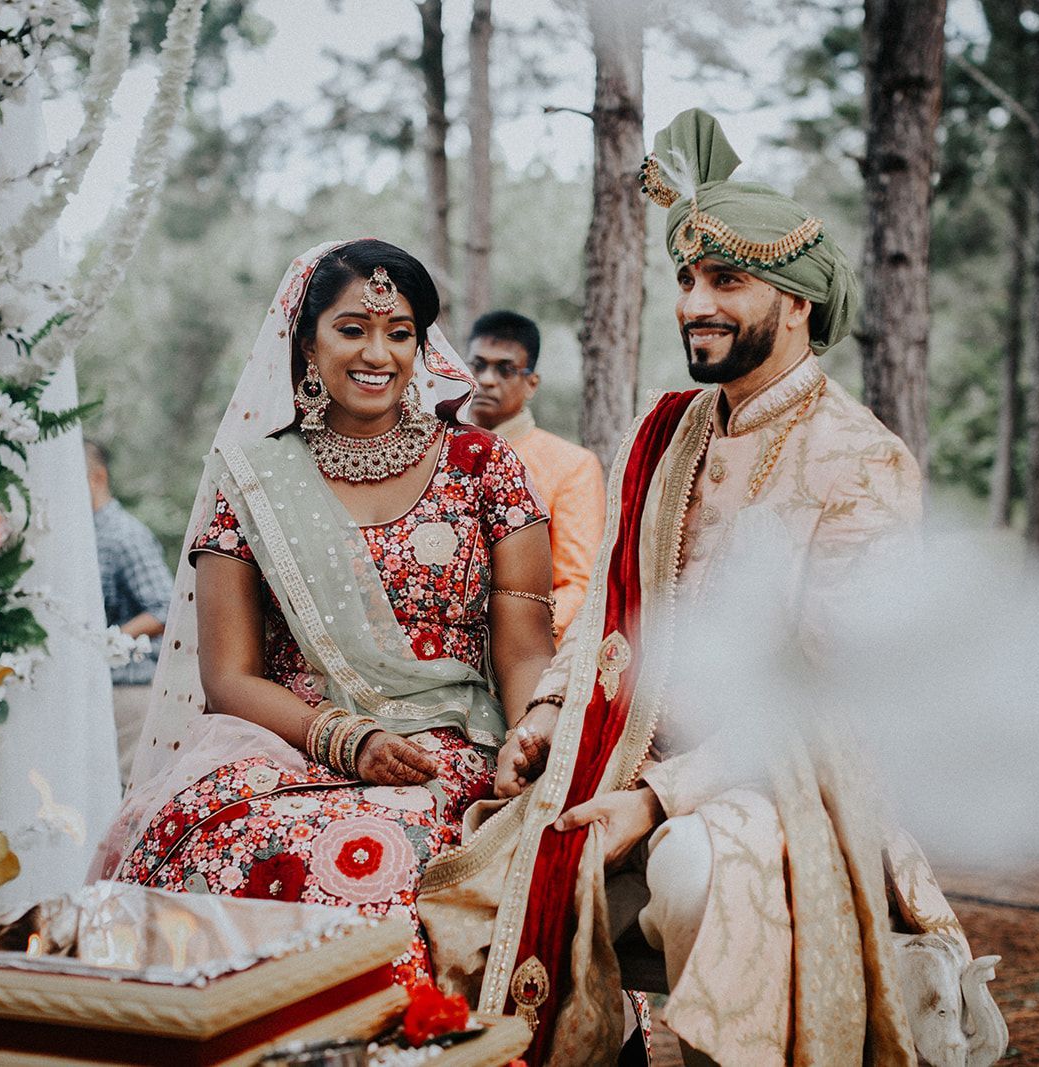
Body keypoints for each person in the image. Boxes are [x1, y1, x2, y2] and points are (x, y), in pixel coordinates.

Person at [417, 111, 994, 1065]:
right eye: (685, 280)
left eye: (728, 280)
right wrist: (552, 715)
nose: (695, 304)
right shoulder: (668, 428)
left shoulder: (863, 461)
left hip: (789, 779)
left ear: (798, 302)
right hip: (619, 755)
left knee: (691, 866)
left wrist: (655, 801)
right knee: (467, 875)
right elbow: (606, 607)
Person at [89, 239, 559, 989]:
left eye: (399, 331)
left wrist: (537, 728)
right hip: (291, 744)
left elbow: (526, 649)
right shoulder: (253, 481)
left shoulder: (485, 467)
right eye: (352, 328)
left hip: (449, 751)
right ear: (306, 341)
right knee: (196, 831)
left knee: (376, 859)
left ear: (421, 344)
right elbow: (228, 676)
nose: (378, 352)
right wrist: (346, 738)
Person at [467, 311, 604, 638]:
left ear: (532, 384)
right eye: (477, 365)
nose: (486, 379)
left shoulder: (572, 464)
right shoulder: (436, 448)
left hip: (521, 652)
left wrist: (507, 638)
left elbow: (578, 584)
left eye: (505, 369)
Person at [86, 440, 174, 786]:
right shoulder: (82, 535)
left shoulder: (124, 535)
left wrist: (108, 641)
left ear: (97, 477)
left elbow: (166, 606)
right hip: (98, 689)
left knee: (127, 791)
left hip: (130, 690)